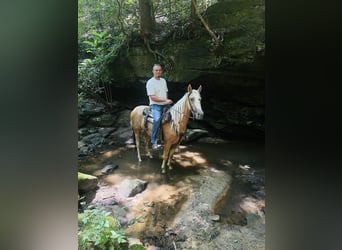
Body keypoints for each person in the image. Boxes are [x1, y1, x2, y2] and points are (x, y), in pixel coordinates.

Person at [146, 64, 173, 150]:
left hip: (165, 104)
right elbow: (152, 97)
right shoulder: (150, 82)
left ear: (161, 71)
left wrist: (167, 101)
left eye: (159, 70)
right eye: (156, 70)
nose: (158, 72)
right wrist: (165, 100)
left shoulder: (163, 81)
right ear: (153, 71)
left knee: (176, 116)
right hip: (155, 105)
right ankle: (153, 141)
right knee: (157, 120)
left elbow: (166, 92)